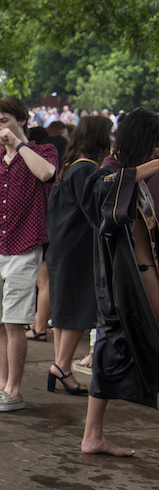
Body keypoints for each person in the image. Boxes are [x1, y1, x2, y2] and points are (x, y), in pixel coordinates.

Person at [0, 97, 59, 413]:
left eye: (3, 121)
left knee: (15, 321)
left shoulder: (41, 152)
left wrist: (18, 144)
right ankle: (0, 383)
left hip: (24, 247)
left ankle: (14, 390)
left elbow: (46, 174)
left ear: (22, 121)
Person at [80, 108, 159, 455]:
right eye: (155, 146)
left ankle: (92, 435)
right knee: (114, 348)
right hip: (127, 280)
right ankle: (91, 435)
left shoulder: (131, 173)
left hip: (143, 274)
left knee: (115, 350)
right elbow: (102, 196)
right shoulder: (109, 173)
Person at [44, 116, 112, 397]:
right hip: (78, 246)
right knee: (78, 307)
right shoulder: (87, 169)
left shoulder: (69, 166)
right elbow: (93, 212)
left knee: (63, 307)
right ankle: (62, 365)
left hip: (60, 245)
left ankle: (60, 363)